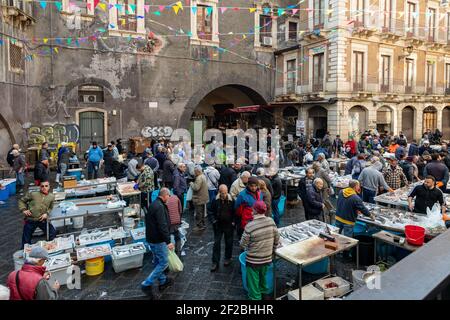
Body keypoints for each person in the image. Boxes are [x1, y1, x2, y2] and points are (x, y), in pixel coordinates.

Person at [240, 201, 279, 301]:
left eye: (253, 209)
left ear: (255, 211)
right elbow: (277, 238)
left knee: (253, 285)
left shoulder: (250, 226)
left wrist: (246, 245)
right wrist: (273, 249)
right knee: (263, 280)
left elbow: (243, 244)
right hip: (267, 259)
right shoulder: (271, 221)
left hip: (253, 261)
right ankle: (265, 297)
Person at [141, 188, 174, 299]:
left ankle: (163, 280)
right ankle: (147, 284)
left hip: (152, 238)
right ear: (165, 195)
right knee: (163, 262)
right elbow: (162, 225)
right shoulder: (159, 207)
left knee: (157, 261)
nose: (169, 198)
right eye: (169, 196)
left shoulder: (154, 204)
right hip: (158, 240)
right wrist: (168, 241)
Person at [18, 181, 56, 247]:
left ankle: (50, 248)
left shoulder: (51, 197)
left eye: (46, 186)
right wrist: (23, 209)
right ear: (39, 187)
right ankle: (25, 252)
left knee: (52, 232)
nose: (44, 188)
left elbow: (50, 207)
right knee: (26, 240)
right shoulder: (33, 194)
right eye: (42, 186)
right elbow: (21, 200)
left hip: (42, 220)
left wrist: (46, 213)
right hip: (30, 220)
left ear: (49, 187)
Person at [209, 185, 235, 272]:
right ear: (219, 192)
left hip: (228, 225)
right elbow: (210, 211)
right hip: (218, 225)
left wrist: (233, 222)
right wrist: (213, 221)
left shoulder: (232, 200)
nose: (223, 194)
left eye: (225, 192)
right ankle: (215, 262)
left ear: (227, 191)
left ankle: (227, 257)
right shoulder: (215, 200)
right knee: (216, 243)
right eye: (222, 193)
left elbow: (235, 212)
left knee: (229, 242)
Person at [190, 165, 209, 232]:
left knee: (199, 213)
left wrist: (191, 183)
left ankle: (199, 226)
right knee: (202, 212)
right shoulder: (203, 176)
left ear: (198, 171)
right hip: (203, 197)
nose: (194, 173)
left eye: (195, 172)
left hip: (199, 198)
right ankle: (203, 224)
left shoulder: (199, 178)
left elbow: (196, 188)